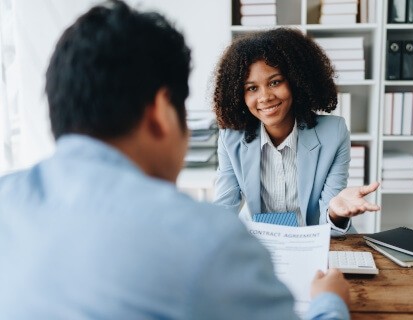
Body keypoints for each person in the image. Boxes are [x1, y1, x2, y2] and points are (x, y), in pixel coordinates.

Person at [0, 1, 352, 319]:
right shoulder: (208, 243)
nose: (264, 97)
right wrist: (330, 304)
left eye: (275, 82)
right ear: (161, 112)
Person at [213, 28, 380, 235]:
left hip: (316, 239)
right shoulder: (231, 138)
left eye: (275, 82)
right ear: (239, 95)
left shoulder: (333, 133)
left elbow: (332, 222)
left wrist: (336, 213)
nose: (265, 97)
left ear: (296, 81)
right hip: (261, 241)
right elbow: (223, 209)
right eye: (252, 88)